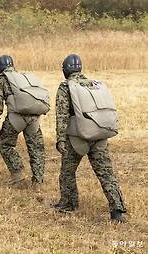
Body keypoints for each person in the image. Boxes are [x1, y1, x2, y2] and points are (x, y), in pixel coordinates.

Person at [51, 54, 127, 223]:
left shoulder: (66, 87)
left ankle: (68, 204)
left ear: (65, 70)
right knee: (106, 173)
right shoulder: (94, 84)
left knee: (67, 173)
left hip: (77, 138)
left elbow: (62, 115)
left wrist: (60, 139)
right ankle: (118, 210)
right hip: (99, 135)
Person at [0, 55, 49, 187]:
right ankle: (38, 181)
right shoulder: (23, 78)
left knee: (5, 144)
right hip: (34, 118)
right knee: (36, 148)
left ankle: (17, 174)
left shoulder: (2, 79)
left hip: (16, 118)